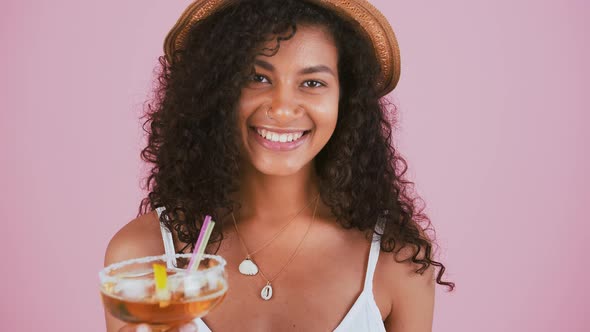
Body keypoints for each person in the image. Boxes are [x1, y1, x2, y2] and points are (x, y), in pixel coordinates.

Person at [105, 0, 455, 331]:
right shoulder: (141, 255)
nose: (283, 108)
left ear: (345, 102)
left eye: (313, 83)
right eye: (257, 77)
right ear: (216, 91)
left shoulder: (398, 261)